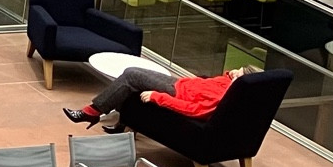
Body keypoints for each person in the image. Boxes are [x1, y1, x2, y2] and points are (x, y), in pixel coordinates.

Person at [66, 64, 259, 130]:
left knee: (132, 75)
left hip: (176, 93)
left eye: (238, 74)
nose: (233, 73)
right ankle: (123, 122)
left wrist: (159, 97)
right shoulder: (228, 83)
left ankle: (92, 111)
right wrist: (230, 76)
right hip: (180, 83)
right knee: (133, 74)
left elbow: (193, 110)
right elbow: (212, 82)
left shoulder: (226, 97)